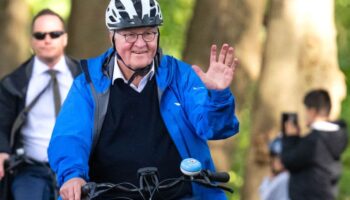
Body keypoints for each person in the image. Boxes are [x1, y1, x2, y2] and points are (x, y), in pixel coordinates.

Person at [48, 0, 240, 199]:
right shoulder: (87, 85)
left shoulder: (180, 75)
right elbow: (69, 136)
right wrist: (72, 176)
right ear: (112, 36)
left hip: (181, 194)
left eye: (148, 33)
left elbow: (214, 128)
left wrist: (218, 96)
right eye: (130, 34)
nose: (140, 44)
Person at [0, 9, 81, 200]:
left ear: (65, 38)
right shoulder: (14, 82)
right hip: (30, 170)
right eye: (40, 35)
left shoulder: (85, 77)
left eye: (54, 34)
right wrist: (2, 151)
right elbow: (1, 123)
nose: (47, 39)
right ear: (31, 41)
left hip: (78, 168)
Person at [281, 89, 348, 200]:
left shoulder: (314, 141)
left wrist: (290, 138)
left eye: (306, 110)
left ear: (312, 111)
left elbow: (289, 160)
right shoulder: (335, 136)